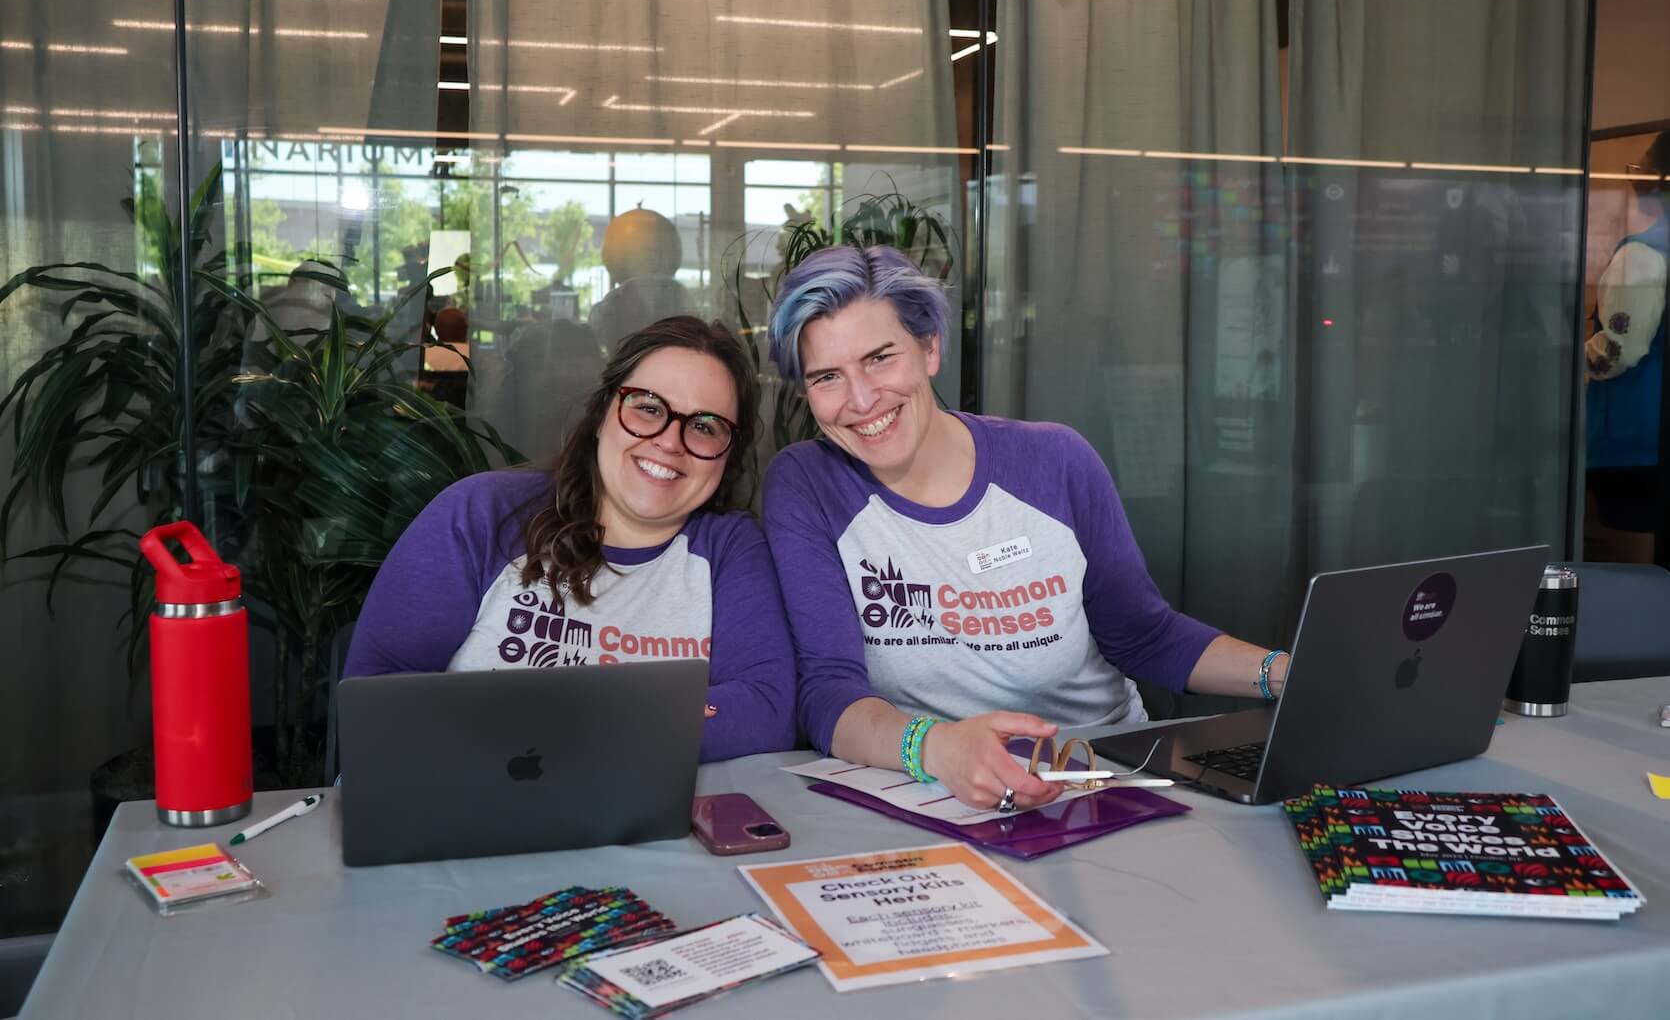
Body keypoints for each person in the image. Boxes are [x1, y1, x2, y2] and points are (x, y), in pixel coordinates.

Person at [762, 245, 1287, 811]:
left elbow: (1144, 634)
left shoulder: (1054, 460)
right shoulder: (806, 485)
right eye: (828, 377)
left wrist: (1284, 675)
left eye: (881, 358)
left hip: (1105, 774)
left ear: (930, 348)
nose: (862, 400)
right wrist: (935, 747)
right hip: (938, 793)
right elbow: (829, 692)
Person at [345, 316, 796, 762]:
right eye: (649, 407)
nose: (670, 442)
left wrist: (528, 725)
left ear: (727, 454)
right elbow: (379, 700)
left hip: (648, 825)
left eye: (704, 426)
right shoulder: (480, 515)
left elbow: (764, 712)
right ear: (602, 415)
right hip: (462, 813)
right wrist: (653, 723)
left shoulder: (732, 549)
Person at [1586, 131, 1669, 542]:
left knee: (1632, 570)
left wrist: (1560, 363)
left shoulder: (1643, 254)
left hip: (1637, 440)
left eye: (1644, 169)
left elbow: (1617, 352)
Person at [589, 207, 695, 353]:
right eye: (645, 251)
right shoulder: (613, 303)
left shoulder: (678, 296)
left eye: (659, 250)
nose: (653, 258)